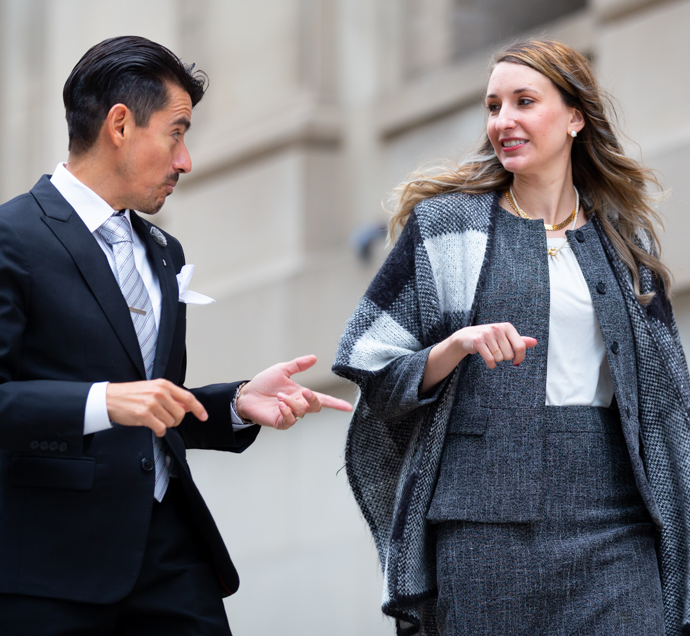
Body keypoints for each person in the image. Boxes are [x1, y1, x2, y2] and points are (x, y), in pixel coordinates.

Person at [333, 39, 690, 635]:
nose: (504, 121)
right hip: (483, 528)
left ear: (575, 117)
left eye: (525, 102)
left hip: (618, 520)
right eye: (493, 106)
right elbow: (371, 362)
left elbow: (668, 396)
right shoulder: (447, 227)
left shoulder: (625, 240)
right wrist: (454, 347)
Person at [0, 35, 352, 636]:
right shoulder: (14, 235)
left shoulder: (164, 251)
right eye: (177, 131)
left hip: (171, 559)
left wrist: (236, 403)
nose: (185, 160)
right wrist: (101, 400)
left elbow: (153, 404)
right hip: (49, 570)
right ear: (119, 124)